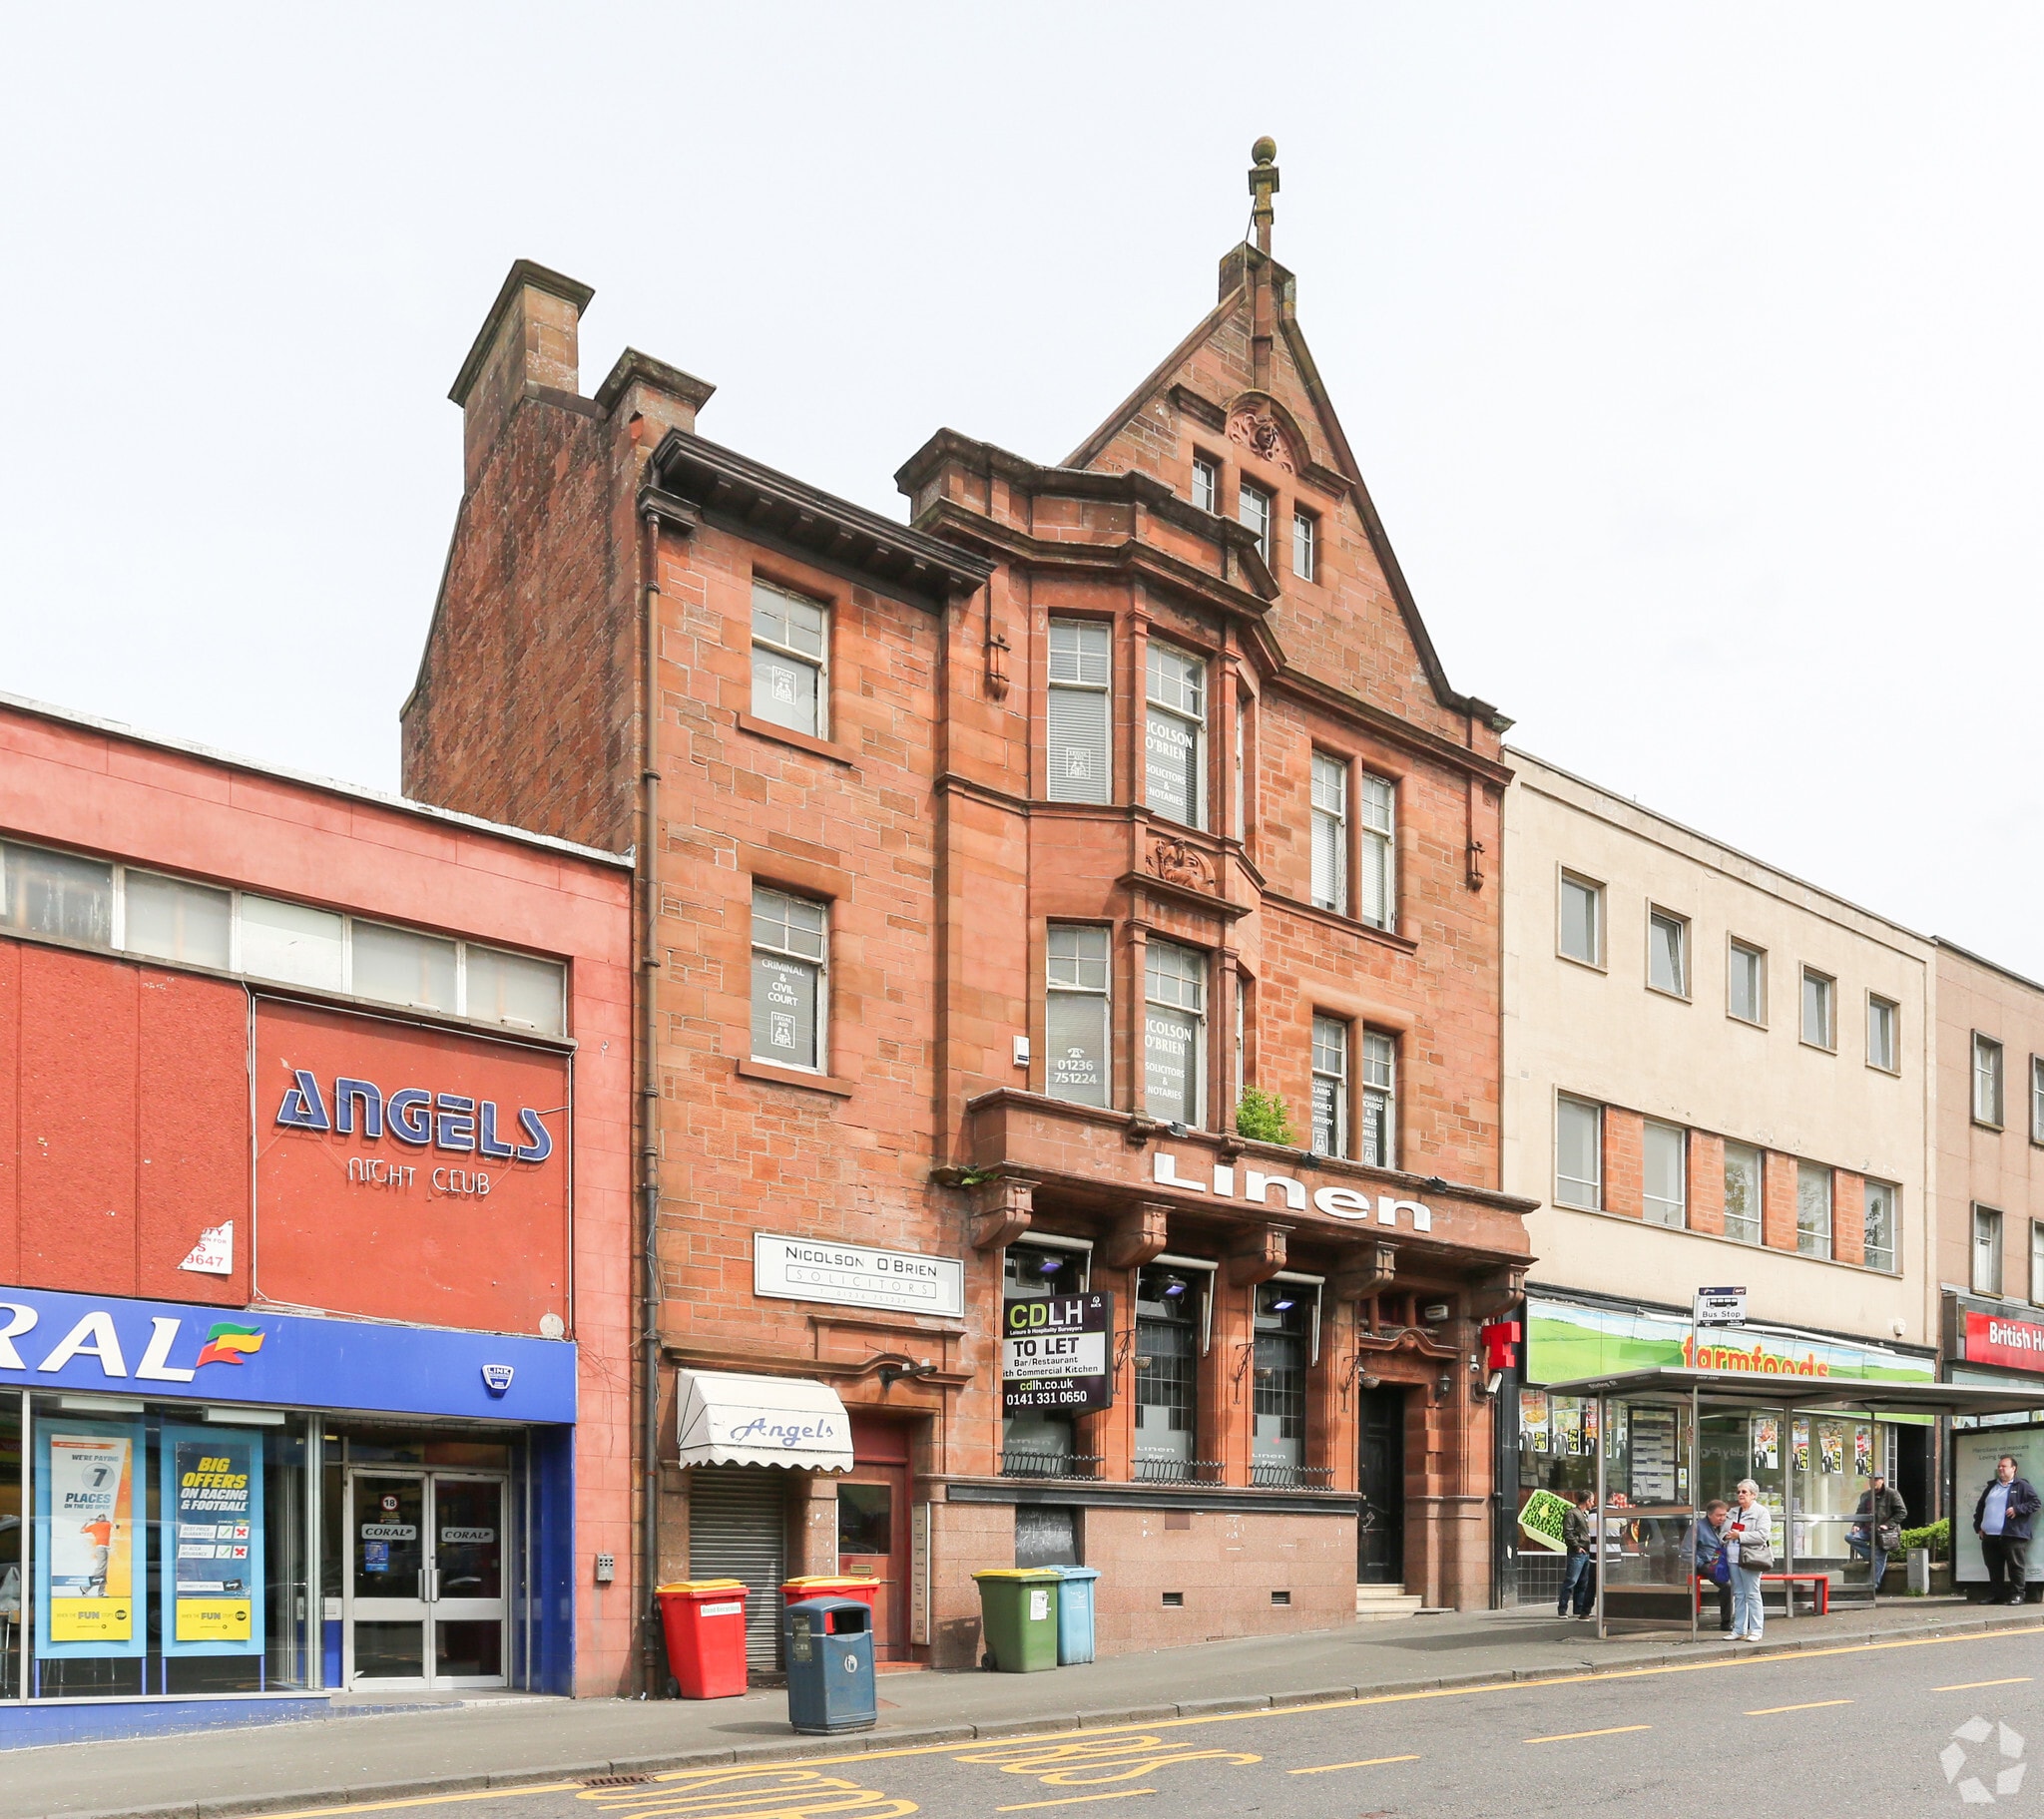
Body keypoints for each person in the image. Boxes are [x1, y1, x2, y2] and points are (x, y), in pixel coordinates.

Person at [1974, 1454, 2041, 1605]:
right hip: (1990, 1535)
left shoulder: (2021, 1485)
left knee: (2015, 1566)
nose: (2000, 1469)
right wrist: (1978, 1527)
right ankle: (1996, 1595)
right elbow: (1980, 1507)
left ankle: (2018, 1595)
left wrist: (2018, 1509)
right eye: (1999, 1466)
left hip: (2012, 1534)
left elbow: (2035, 1503)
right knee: (1993, 1567)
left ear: (2013, 1468)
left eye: (2004, 1466)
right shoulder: (1992, 1486)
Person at [1727, 1479, 1773, 1640]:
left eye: (1744, 1492)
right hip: (1733, 1556)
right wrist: (1726, 1536)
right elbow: (1722, 1532)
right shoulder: (1733, 1512)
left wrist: (1739, 1535)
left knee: (1752, 1593)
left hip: (1751, 1557)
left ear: (1753, 1495)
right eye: (1738, 1492)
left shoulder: (1761, 1512)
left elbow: (1762, 1535)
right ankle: (1739, 1629)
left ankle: (1756, 1630)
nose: (1740, 1494)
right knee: (1739, 1594)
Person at [1846, 1470, 1907, 1590]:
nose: (1873, 1482)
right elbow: (1860, 1512)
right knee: (1850, 1537)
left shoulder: (1891, 1494)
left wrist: (1887, 1525)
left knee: (1879, 1556)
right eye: (1871, 1479)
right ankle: (1872, 1555)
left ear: (1882, 1481)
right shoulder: (1865, 1495)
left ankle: (1873, 1585)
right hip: (1867, 1530)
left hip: (1883, 1533)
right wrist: (1857, 1524)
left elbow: (1902, 1512)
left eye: (1876, 1479)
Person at [1694, 1499, 1733, 1632]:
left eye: (1724, 1515)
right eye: (1719, 1515)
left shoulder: (1725, 1526)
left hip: (1722, 1559)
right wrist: (1701, 1563)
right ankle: (1726, 1622)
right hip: (1706, 1561)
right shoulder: (1698, 1527)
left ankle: (1744, 1620)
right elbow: (1688, 1551)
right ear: (1709, 1515)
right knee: (1726, 1585)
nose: (1722, 1518)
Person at [1558, 1490, 1597, 1618]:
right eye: (1592, 1501)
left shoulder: (1585, 1514)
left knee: (1583, 1583)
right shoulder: (1572, 1513)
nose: (1593, 1503)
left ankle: (1578, 1608)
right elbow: (1567, 1532)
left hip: (1586, 1551)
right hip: (1577, 1552)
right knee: (1571, 1581)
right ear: (1587, 1501)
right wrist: (1577, 1547)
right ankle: (1562, 1609)